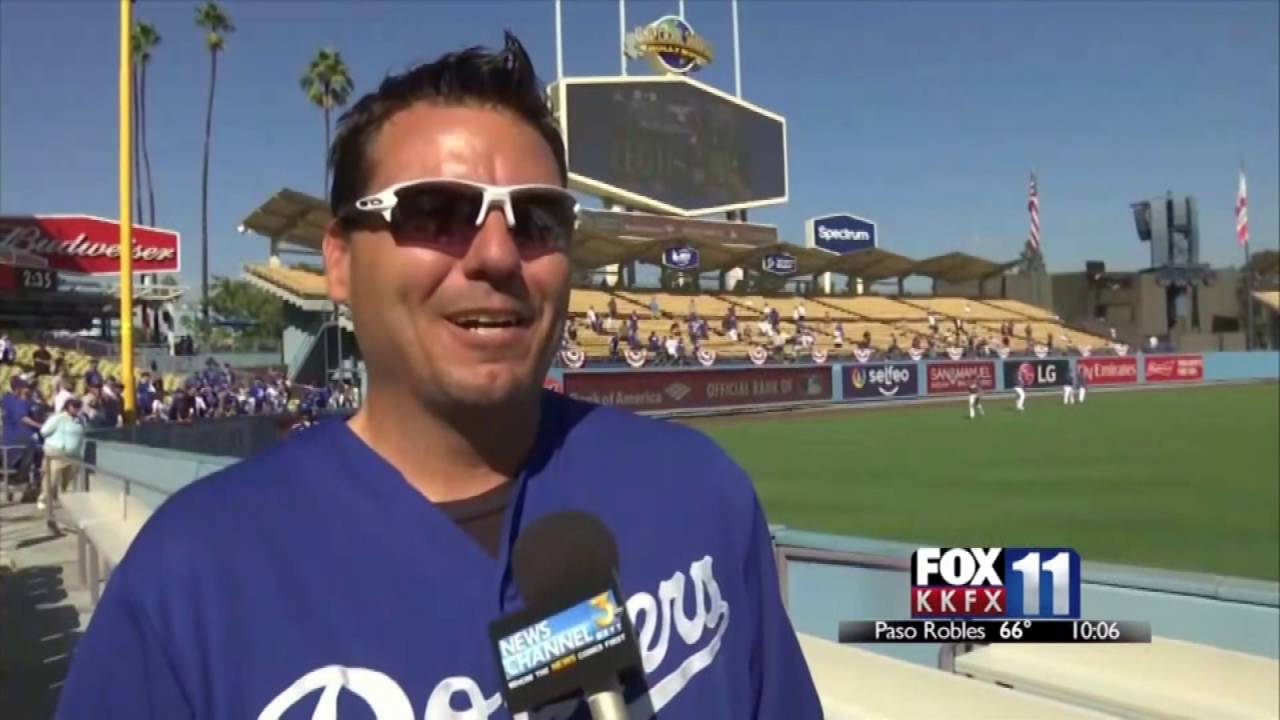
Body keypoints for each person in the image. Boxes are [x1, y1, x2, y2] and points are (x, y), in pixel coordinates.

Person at [59, 33, 820, 719]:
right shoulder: (191, 581)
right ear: (340, 261)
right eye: (435, 213)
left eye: (537, 220)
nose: (495, 255)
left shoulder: (701, 495)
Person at [37, 395, 85, 513]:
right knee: (51, 478)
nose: (77, 408)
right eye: (74, 406)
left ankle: (62, 501)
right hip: (56, 453)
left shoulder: (80, 420)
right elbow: (44, 431)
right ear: (68, 406)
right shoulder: (58, 418)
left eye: (79, 406)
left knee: (68, 480)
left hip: (73, 454)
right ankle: (43, 499)